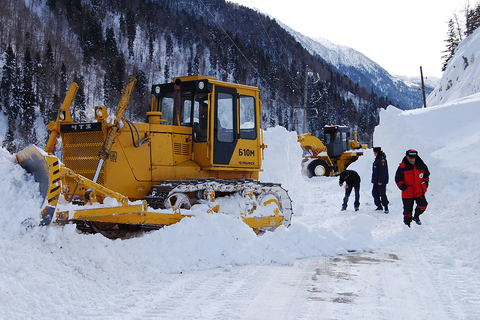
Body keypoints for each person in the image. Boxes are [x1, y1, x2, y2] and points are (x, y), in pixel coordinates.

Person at [395, 149, 430, 227]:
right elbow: (398, 179)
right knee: (407, 212)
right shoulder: (402, 167)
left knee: (423, 205)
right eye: (410, 157)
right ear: (407, 157)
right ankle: (407, 227)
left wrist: (425, 185)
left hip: (419, 191)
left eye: (413, 158)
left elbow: (426, 176)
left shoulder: (422, 165)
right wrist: (403, 188)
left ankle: (416, 216)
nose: (412, 159)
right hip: (407, 193)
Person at [371, 147, 389, 213]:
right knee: (374, 193)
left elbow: (383, 171)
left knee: (382, 193)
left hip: (381, 181)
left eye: (374, 152)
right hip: (376, 180)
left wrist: (380, 181)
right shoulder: (377, 159)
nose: (374, 154)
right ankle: (379, 206)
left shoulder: (382, 160)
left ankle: (386, 207)